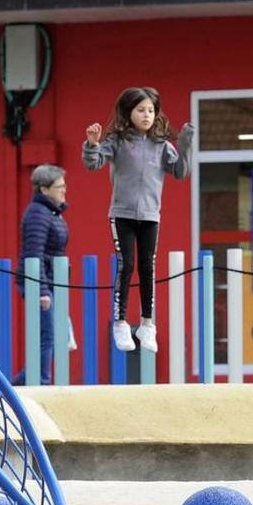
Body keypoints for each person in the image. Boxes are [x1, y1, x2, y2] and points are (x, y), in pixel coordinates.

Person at [83, 87, 194, 352]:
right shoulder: (118, 142)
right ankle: (120, 323)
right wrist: (92, 144)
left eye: (151, 111)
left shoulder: (162, 145)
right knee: (127, 264)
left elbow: (180, 172)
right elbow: (93, 163)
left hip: (150, 215)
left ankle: (147, 324)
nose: (146, 115)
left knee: (148, 267)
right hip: (121, 214)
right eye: (141, 110)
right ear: (128, 112)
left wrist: (186, 144)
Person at [12, 165, 72, 386]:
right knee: (47, 336)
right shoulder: (38, 214)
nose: (64, 190)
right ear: (44, 190)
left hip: (50, 281)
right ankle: (41, 383)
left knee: (55, 336)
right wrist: (42, 290)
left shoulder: (51, 213)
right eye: (60, 187)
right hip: (40, 283)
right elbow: (34, 253)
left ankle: (23, 383)